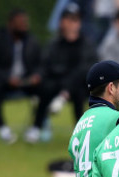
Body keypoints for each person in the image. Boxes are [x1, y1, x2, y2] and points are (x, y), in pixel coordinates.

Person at [25, 3, 98, 144]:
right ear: (61, 22)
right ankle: (36, 127)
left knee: (77, 88)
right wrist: (38, 76)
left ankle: (80, 131)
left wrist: (66, 89)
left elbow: (87, 67)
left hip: (78, 85)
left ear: (80, 23)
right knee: (46, 88)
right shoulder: (54, 43)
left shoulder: (86, 44)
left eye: (75, 20)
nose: (72, 24)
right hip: (56, 82)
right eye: (68, 19)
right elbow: (45, 65)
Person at [0, 8, 41, 144]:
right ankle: (2, 128)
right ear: (11, 24)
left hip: (26, 81)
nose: (24, 26)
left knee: (47, 87)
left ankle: (37, 127)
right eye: (21, 23)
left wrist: (36, 75)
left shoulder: (31, 40)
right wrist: (6, 77)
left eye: (25, 22)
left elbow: (41, 64)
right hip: (4, 82)